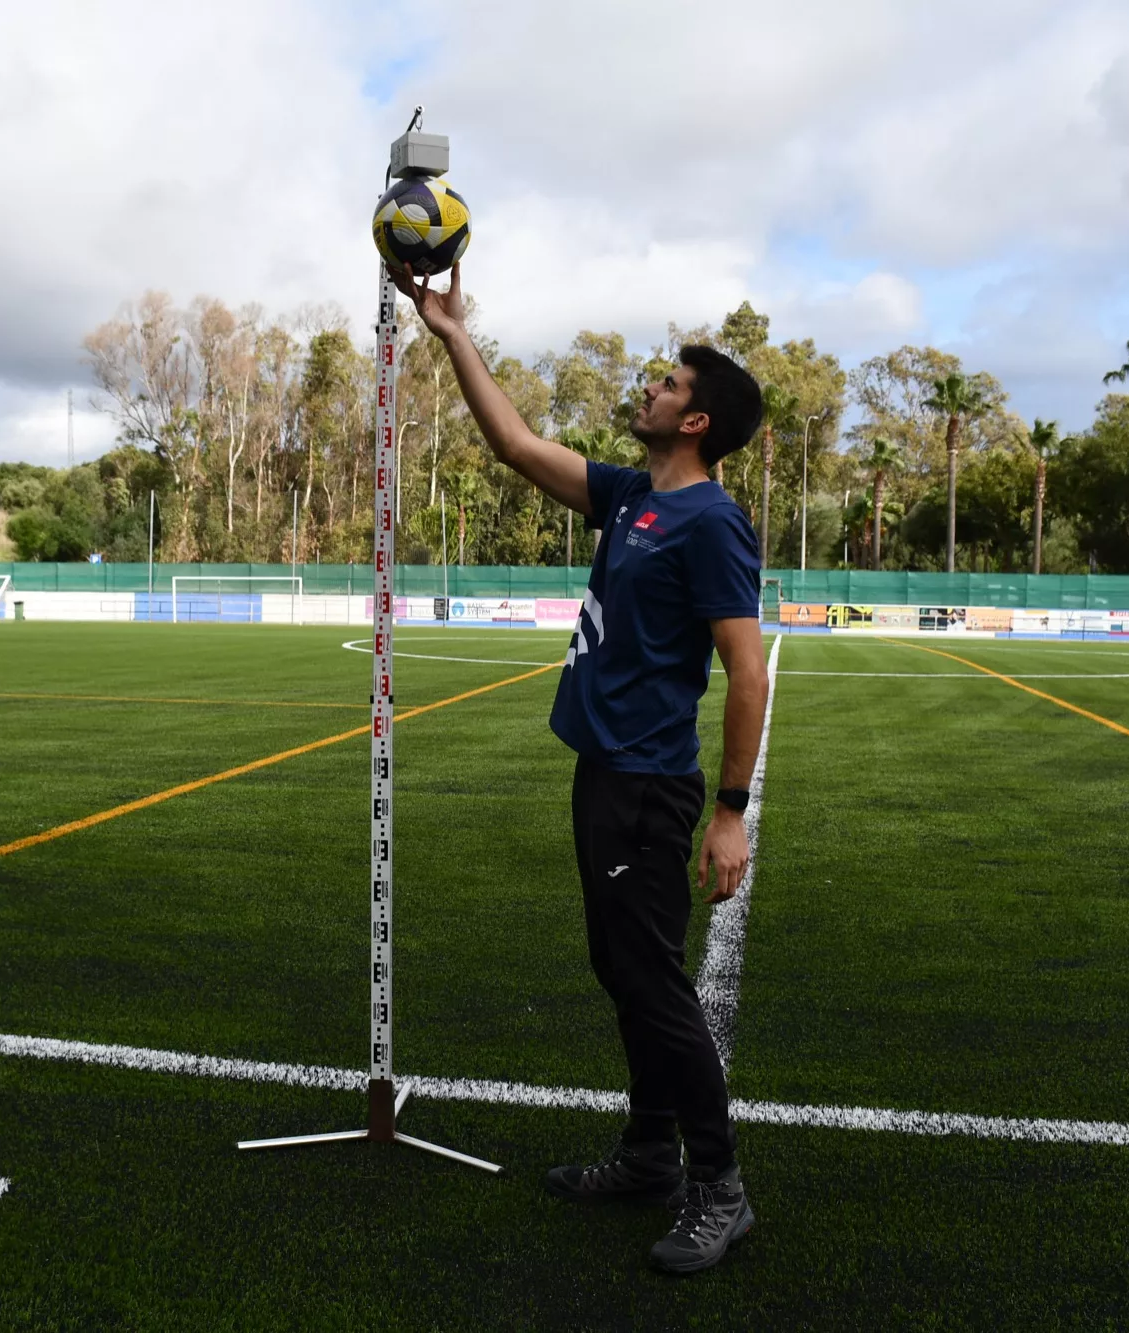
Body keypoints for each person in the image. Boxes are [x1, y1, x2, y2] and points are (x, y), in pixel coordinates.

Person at [393, 262, 769, 1275]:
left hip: (649, 784)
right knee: (623, 970)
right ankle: (649, 1155)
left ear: (696, 422)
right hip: (604, 773)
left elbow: (746, 671)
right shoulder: (634, 496)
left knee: (651, 981)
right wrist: (451, 332)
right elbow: (516, 447)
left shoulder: (711, 523)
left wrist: (729, 811)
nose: (651, 387)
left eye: (668, 385)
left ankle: (719, 1188)